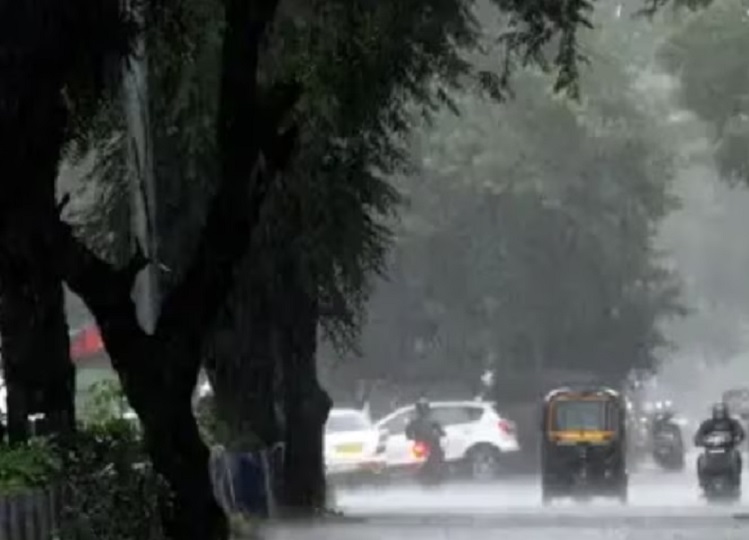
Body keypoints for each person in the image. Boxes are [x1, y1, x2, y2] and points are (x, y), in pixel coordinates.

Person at [694, 402, 746, 487]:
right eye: (717, 412)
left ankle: (736, 480)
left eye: (721, 412)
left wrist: (737, 438)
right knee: (700, 459)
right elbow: (699, 434)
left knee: (737, 456)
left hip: (728, 450)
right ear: (714, 413)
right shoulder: (708, 424)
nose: (719, 414)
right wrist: (699, 440)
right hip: (710, 450)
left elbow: (739, 432)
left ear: (725, 412)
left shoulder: (732, 423)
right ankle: (703, 481)